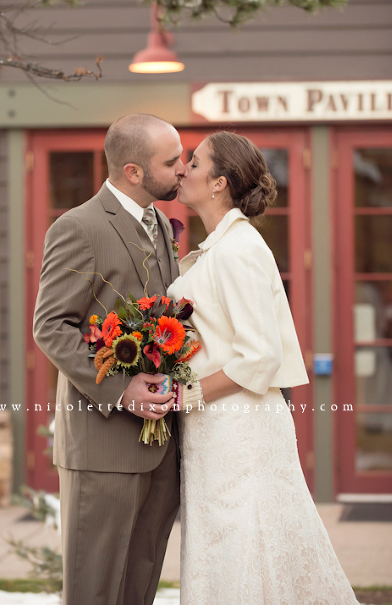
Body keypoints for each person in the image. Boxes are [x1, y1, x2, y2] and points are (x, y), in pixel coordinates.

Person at [168, 131, 360, 605]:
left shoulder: (240, 250)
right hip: (216, 427)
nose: (182, 170)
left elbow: (259, 355)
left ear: (219, 183)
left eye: (193, 163)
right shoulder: (221, 246)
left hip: (239, 430)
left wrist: (184, 397)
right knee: (227, 543)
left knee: (242, 542)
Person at [33, 113, 185, 605]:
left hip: (161, 447)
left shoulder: (161, 222)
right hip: (102, 445)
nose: (182, 169)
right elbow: (51, 326)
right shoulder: (78, 227)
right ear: (134, 172)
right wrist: (121, 390)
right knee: (94, 589)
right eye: (172, 161)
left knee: (139, 587)